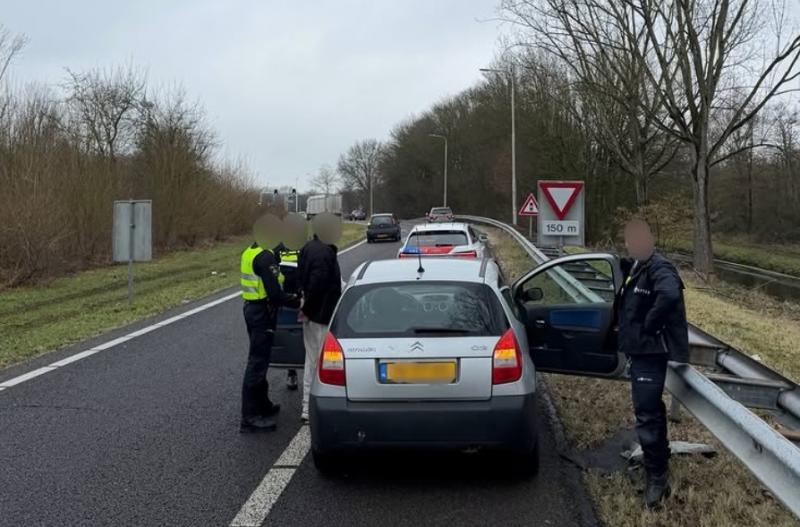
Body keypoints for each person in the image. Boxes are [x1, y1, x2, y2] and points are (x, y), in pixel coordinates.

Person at [617, 218, 689, 509]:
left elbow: (670, 295)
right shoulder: (637, 266)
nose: (633, 245)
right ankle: (659, 459)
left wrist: (649, 325)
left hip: (651, 354)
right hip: (640, 352)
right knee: (652, 411)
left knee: (647, 415)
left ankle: (657, 478)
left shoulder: (660, 267)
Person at [240, 215, 301, 433]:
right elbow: (274, 294)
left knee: (262, 359)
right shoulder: (265, 257)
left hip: (252, 308)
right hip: (262, 312)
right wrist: (297, 301)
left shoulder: (251, 251)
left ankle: (263, 404)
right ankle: (249, 417)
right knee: (257, 362)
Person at [297, 213, 342, 422]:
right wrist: (308, 308)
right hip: (321, 315)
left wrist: (304, 305)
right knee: (325, 361)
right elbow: (319, 283)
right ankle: (319, 407)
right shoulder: (325, 252)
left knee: (311, 359)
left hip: (313, 313)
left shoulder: (308, 248)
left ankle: (307, 406)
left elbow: (302, 279)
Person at [273, 213, 306, 391]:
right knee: (290, 334)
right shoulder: (278, 248)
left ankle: (309, 371)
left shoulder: (305, 246)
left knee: (305, 334)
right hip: (286, 298)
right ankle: (292, 372)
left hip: (302, 297)